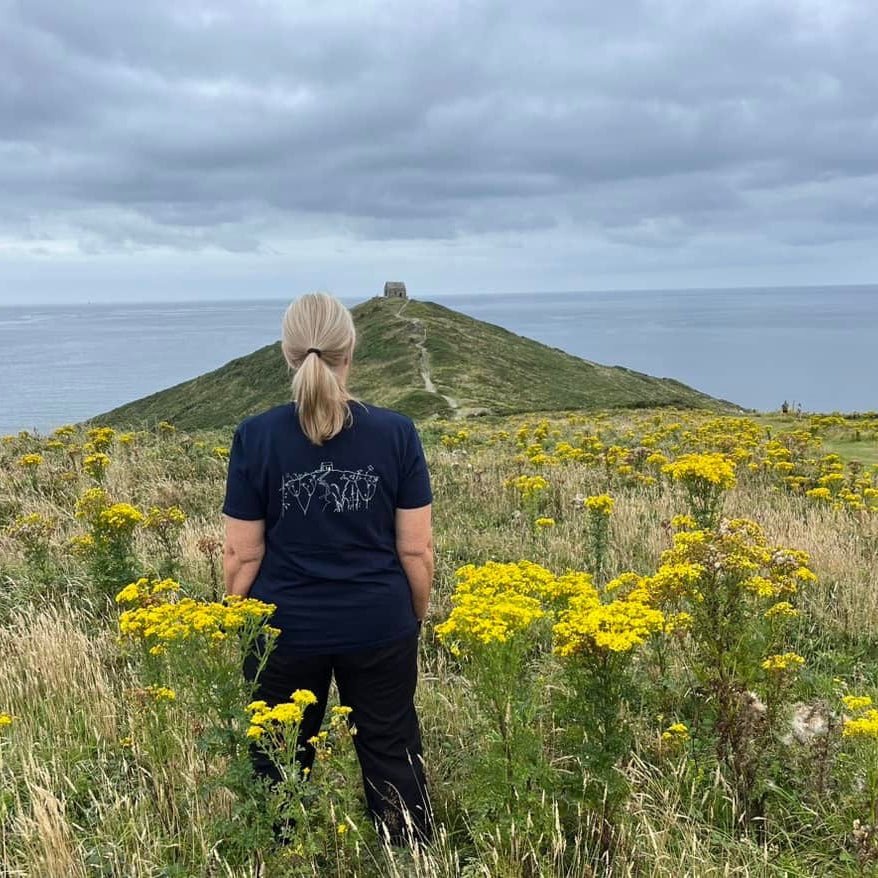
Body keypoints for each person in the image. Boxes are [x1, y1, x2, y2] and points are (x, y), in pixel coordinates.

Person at [221, 292, 434, 845]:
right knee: (390, 746)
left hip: (283, 628)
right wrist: (412, 616)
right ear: (351, 350)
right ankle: (409, 852)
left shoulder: (255, 436)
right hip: (379, 619)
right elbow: (416, 551)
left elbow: (241, 556)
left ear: (287, 354)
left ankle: (282, 851)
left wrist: (239, 625)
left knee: (279, 755)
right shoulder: (397, 433)